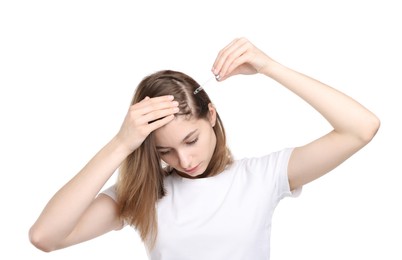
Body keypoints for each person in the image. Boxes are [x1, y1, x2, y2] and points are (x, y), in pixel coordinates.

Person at [29, 37, 380, 259]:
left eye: (190, 140)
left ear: (211, 115)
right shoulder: (143, 195)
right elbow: (45, 237)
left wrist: (270, 67)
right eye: (164, 152)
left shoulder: (261, 177)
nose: (184, 160)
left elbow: (361, 128)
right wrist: (122, 143)